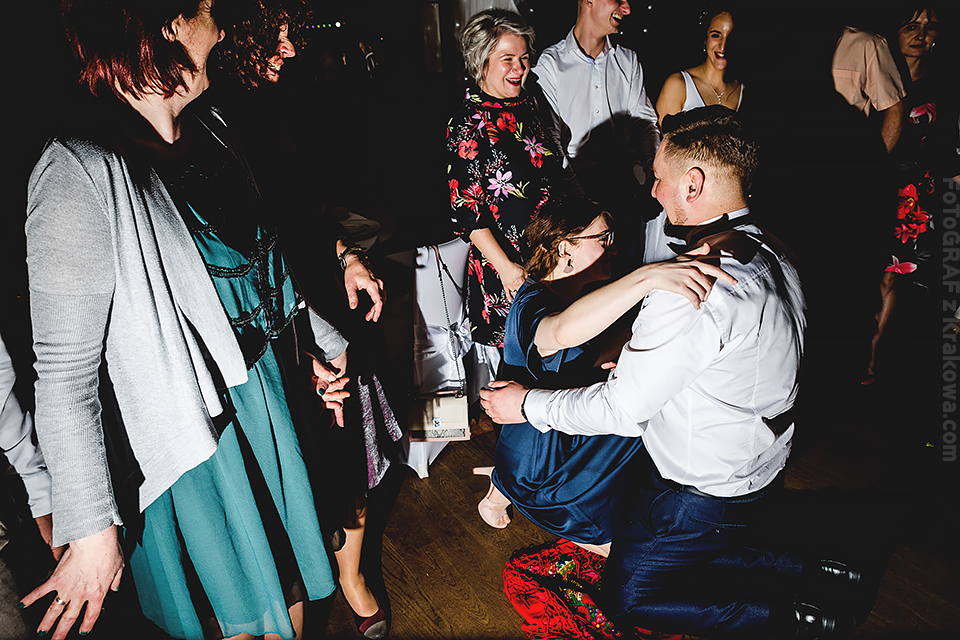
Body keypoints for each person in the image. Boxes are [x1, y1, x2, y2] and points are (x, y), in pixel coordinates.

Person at [20, 2, 356, 639]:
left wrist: (303, 355)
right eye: (209, 9)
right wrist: (90, 529)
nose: (222, 26)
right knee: (240, 617)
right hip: (194, 440)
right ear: (166, 24)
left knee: (291, 592)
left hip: (268, 401)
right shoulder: (78, 168)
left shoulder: (213, 128)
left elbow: (255, 272)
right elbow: (64, 375)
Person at [482, 107, 869, 639]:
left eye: (660, 178)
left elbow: (623, 409)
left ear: (693, 184)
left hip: (699, 490)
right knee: (706, 546)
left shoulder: (692, 287)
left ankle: (803, 619)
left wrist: (526, 404)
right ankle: (827, 571)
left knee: (629, 598)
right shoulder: (775, 249)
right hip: (762, 462)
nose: (653, 191)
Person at [217, 5, 398, 637]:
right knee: (293, 473)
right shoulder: (200, 124)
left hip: (312, 300)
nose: (292, 50)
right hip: (263, 331)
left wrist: (346, 255)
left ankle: (351, 576)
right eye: (277, 37)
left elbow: (303, 216)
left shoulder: (273, 105)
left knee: (349, 454)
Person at [478, 193, 735, 559]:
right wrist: (649, 276)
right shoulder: (532, 301)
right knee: (642, 415)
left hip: (532, 447)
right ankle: (529, 501)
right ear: (565, 247)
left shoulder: (570, 293)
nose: (614, 247)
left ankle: (500, 492)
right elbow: (559, 333)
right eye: (603, 239)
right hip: (542, 469)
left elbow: (591, 352)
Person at [447, 9, 560, 348]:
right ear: (480, 63)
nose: (520, 68)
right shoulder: (469, 122)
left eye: (524, 58)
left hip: (549, 255)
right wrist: (508, 269)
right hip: (507, 267)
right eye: (507, 59)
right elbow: (467, 212)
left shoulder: (528, 105)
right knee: (521, 358)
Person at [863, 4, 960, 385]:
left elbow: (946, 147)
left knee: (892, 277)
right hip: (872, 185)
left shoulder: (943, 84)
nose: (921, 34)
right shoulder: (874, 74)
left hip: (915, 198)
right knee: (864, 273)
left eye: (929, 26)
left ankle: (871, 356)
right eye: (911, 25)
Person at [532, 0, 661, 264]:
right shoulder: (550, 64)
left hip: (623, 194)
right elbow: (549, 140)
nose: (627, 9)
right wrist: (581, 201)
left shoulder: (628, 60)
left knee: (627, 272)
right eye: (619, 0)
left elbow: (646, 123)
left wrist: (653, 176)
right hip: (571, 201)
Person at [655, 7, 744, 125]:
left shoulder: (744, 90)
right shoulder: (678, 84)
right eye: (716, 35)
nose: (723, 46)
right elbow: (659, 136)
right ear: (705, 40)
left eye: (731, 36)